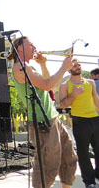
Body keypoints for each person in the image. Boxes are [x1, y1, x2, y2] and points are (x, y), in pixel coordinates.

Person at [8, 36, 77, 188]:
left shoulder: (29, 67)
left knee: (69, 157)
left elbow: (49, 83)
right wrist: (64, 68)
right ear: (20, 48)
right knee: (48, 164)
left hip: (53, 117)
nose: (34, 46)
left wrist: (44, 65)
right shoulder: (20, 67)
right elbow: (47, 84)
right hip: (42, 121)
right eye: (30, 44)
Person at [59, 59, 99, 188]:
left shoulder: (91, 82)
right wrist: (74, 95)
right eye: (74, 66)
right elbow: (63, 104)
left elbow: (96, 100)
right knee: (83, 152)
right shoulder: (65, 85)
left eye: (79, 65)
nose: (77, 67)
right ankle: (89, 181)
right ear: (69, 69)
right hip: (79, 120)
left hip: (95, 119)